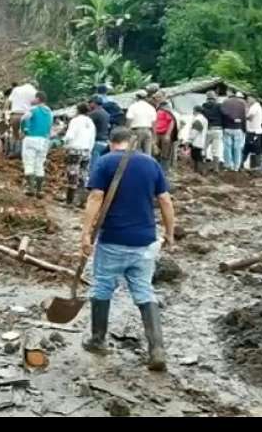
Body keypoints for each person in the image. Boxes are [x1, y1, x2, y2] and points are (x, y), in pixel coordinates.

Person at [80, 127, 175, 371]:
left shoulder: (105, 162)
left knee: (102, 286)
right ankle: (157, 349)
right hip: (145, 241)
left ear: (112, 143)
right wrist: (170, 231)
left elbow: (95, 198)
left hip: (113, 239)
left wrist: (85, 234)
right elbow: (164, 199)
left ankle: (98, 339)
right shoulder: (151, 164)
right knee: (144, 291)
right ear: (130, 141)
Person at [20, 92, 54, 198]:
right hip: (44, 140)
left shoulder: (33, 110)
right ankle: (39, 190)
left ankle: (30, 189)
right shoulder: (49, 112)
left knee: (29, 162)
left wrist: (24, 130)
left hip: (31, 138)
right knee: (39, 164)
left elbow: (23, 119)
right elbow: (50, 126)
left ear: (38, 99)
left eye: (34, 98)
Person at [62, 103, 96, 206]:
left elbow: (70, 135)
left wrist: (63, 142)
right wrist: (89, 150)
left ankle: (69, 201)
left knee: (72, 174)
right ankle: (82, 201)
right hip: (86, 150)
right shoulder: (90, 122)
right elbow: (92, 138)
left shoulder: (75, 121)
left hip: (75, 150)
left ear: (78, 110)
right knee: (83, 175)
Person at [7, 81, 37, 157]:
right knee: (26, 135)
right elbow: (36, 107)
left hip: (15, 115)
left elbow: (8, 102)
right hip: (27, 116)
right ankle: (24, 153)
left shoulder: (16, 89)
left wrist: (6, 112)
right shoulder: (35, 92)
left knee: (15, 134)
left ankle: (13, 152)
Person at [220, 90, 247, 171]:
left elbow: (222, 114)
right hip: (238, 128)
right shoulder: (242, 103)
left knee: (227, 147)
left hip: (227, 127)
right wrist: (244, 128)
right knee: (237, 148)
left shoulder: (225, 102)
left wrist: (223, 126)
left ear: (229, 93)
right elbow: (244, 117)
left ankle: (228, 165)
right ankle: (236, 166)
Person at [125, 91, 157, 155]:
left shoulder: (133, 107)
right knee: (148, 152)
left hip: (136, 131)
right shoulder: (151, 107)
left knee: (136, 152)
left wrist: (126, 131)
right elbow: (154, 123)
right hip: (148, 131)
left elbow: (129, 120)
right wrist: (154, 135)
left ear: (137, 98)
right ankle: (147, 164)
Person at [202, 91, 225, 171]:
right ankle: (216, 168)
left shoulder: (204, 106)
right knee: (216, 149)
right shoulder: (219, 106)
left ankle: (203, 166)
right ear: (215, 97)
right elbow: (224, 115)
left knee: (204, 148)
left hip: (208, 129)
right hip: (218, 130)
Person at [87, 97, 111, 175]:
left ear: (94, 103)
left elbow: (86, 123)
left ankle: (92, 181)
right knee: (99, 163)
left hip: (97, 141)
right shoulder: (106, 114)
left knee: (93, 164)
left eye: (90, 103)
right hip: (104, 141)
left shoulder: (94, 114)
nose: (89, 105)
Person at [154, 97, 177, 171]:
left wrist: (168, 134)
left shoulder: (166, 112)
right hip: (157, 133)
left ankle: (164, 170)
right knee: (156, 151)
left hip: (164, 134)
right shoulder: (157, 111)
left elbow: (171, 122)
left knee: (165, 153)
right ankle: (157, 168)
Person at [243, 96, 262, 169]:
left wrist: (244, 115)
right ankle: (243, 163)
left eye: (249, 99)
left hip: (254, 131)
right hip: (252, 131)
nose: (248, 100)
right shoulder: (255, 107)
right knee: (248, 148)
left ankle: (257, 165)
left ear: (254, 98)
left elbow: (250, 118)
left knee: (252, 148)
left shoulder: (255, 107)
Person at [188, 105, 208, 174]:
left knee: (196, 158)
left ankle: (198, 172)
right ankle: (199, 172)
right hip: (201, 141)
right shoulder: (204, 119)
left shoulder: (198, 119)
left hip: (196, 142)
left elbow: (195, 131)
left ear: (195, 110)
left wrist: (189, 140)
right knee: (199, 157)